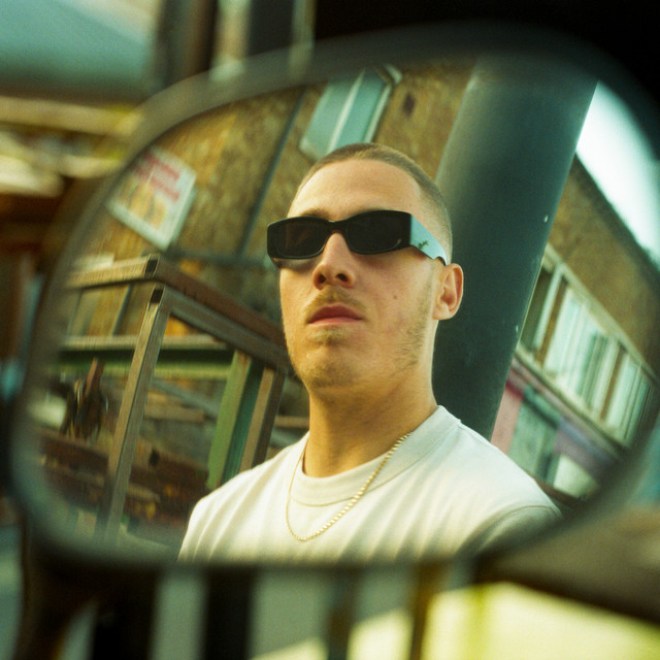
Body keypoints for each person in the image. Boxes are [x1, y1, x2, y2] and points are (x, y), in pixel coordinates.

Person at [179, 143, 560, 563]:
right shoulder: (217, 520)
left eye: (379, 235)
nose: (329, 265)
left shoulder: (503, 526)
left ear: (446, 292)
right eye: (301, 239)